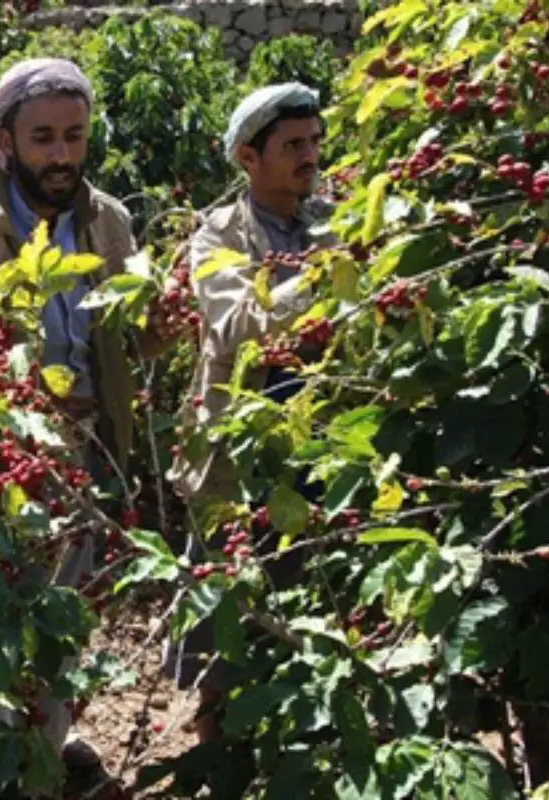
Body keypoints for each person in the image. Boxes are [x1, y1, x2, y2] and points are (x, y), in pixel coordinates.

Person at [0, 57, 155, 794]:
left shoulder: (108, 221)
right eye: (42, 137)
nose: (60, 155)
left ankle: (44, 749)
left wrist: (157, 323)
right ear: (4, 140)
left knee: (64, 616)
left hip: (83, 450)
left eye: (74, 137)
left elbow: (124, 338)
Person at [165, 82, 340, 741]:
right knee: (223, 624)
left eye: (315, 142)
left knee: (311, 606)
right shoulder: (217, 238)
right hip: (233, 462)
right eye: (293, 145)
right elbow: (240, 323)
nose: (310, 157)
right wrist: (327, 277)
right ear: (248, 157)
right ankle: (219, 759)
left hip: (319, 450)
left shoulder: (329, 223)